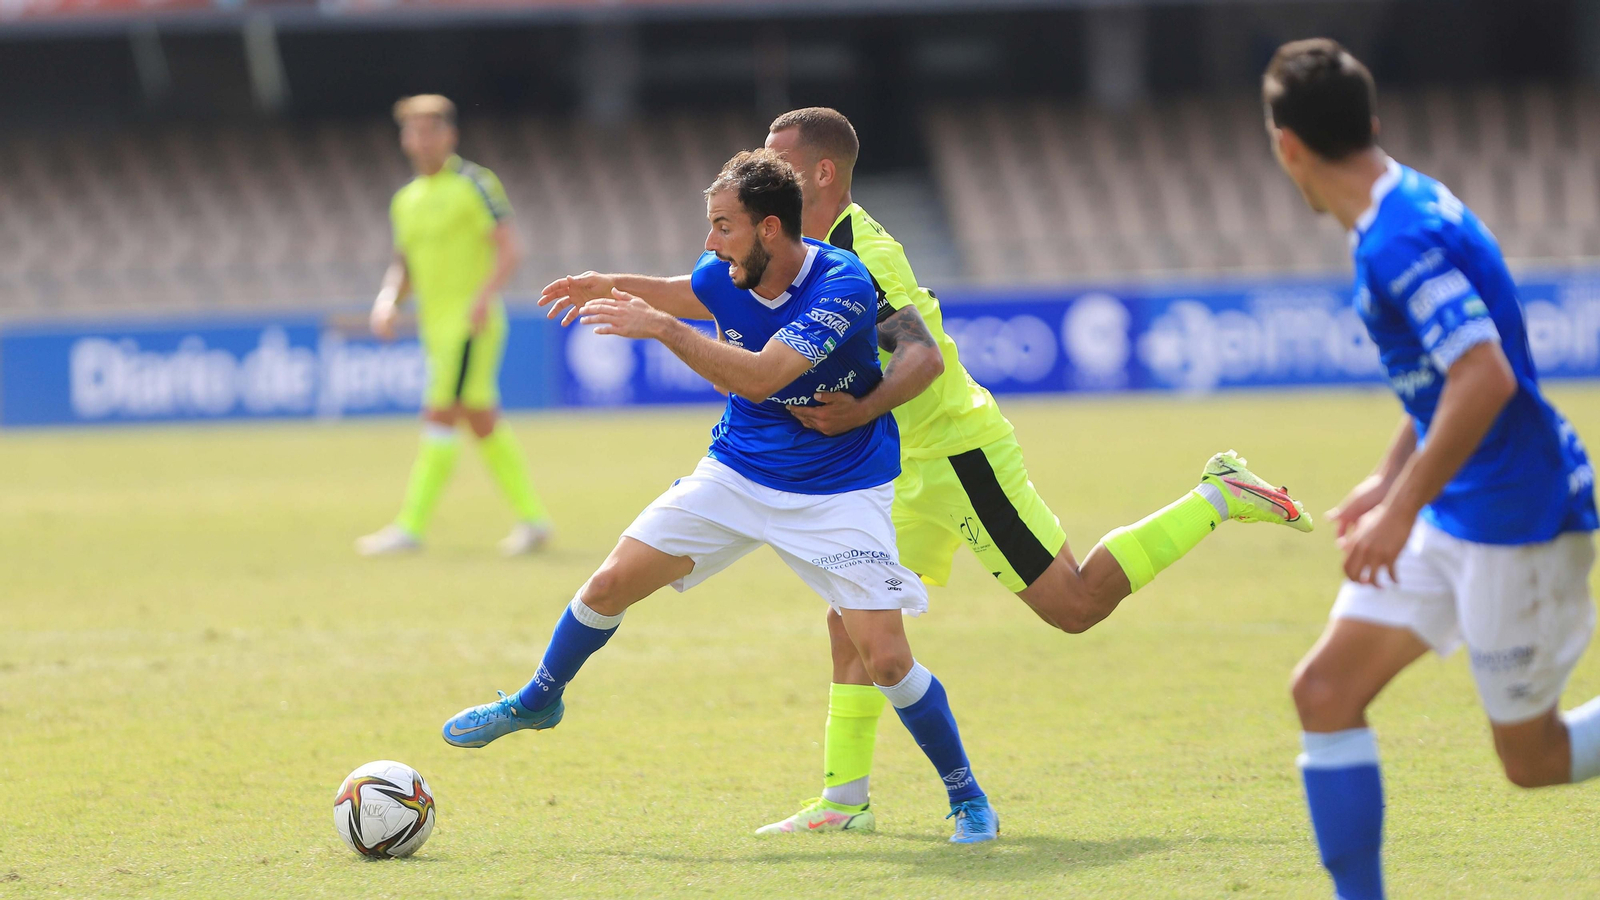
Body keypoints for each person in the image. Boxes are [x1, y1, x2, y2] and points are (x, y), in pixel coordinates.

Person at [544, 107, 1316, 835]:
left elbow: (922, 357)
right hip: (884, 470)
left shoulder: (865, 257)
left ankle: (1217, 496)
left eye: (779, 161)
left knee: (1075, 605)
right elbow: (701, 292)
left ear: (821, 174)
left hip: (952, 455)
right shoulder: (786, 254)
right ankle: (843, 801)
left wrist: (859, 409)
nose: (763, 173)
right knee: (852, 622)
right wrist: (610, 284)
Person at [441, 150, 1000, 843]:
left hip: (840, 490)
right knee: (608, 584)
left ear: (770, 229)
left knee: (885, 658)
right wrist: (610, 283)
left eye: (723, 226)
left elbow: (762, 376)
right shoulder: (725, 270)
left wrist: (661, 328)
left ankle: (967, 797)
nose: (710, 240)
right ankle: (538, 700)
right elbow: (691, 290)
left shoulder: (842, 284)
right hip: (736, 473)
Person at [1262, 39, 1600, 899]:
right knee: (1324, 691)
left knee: (1534, 759)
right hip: (1457, 505)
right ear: (1370, 123)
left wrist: (1400, 511)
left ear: (1287, 146)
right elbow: (1443, 378)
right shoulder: (1402, 205)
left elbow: (1484, 376)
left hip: (1517, 517)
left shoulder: (1397, 240)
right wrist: (1391, 478)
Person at [357, 94, 552, 558]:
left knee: (439, 415)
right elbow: (403, 265)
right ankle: (534, 521)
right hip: (435, 330)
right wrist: (387, 302)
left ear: (450, 135)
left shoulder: (475, 183)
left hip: (470, 327)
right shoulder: (405, 200)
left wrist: (483, 298)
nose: (421, 140)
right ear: (404, 139)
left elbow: (509, 248)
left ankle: (410, 527)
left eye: (431, 130)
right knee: (481, 421)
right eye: (413, 131)